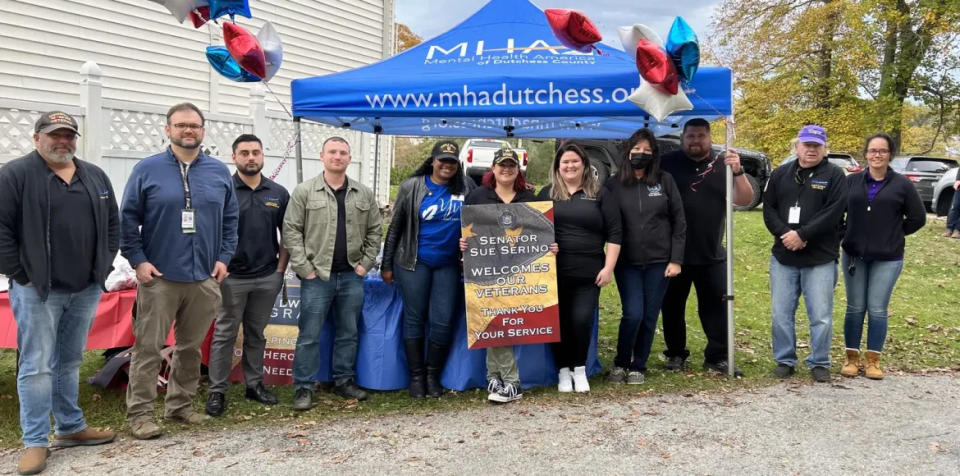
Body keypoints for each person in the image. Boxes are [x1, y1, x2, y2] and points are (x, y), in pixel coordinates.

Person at [0, 111, 118, 474]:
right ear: (37, 138)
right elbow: (1, 231)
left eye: (68, 135)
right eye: (54, 135)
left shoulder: (94, 175)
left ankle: (69, 427)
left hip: (84, 287)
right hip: (38, 290)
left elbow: (113, 225)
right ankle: (35, 441)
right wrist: (21, 274)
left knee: (69, 361)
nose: (62, 141)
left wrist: (103, 266)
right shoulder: (15, 175)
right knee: (36, 366)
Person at [120, 102, 239, 439]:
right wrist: (138, 260)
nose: (189, 130)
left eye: (195, 125)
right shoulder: (147, 169)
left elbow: (231, 222)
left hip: (203, 278)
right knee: (148, 348)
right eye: (181, 125)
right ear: (167, 129)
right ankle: (140, 415)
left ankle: (179, 406)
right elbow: (127, 219)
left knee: (189, 347)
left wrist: (224, 258)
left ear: (203, 130)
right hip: (159, 278)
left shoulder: (218, 172)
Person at [283, 136, 382, 410]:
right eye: (332, 152)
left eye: (343, 153)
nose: (337, 157)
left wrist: (365, 264)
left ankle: (343, 381)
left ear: (349, 158)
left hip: (352, 275)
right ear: (322, 156)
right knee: (309, 335)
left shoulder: (363, 193)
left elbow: (375, 230)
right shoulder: (304, 191)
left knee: (348, 333)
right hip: (317, 277)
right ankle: (303, 387)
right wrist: (306, 269)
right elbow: (291, 231)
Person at [658, 118, 754, 375]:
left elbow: (744, 200)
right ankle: (676, 353)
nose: (695, 141)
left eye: (701, 136)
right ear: (683, 138)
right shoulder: (667, 163)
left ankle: (717, 356)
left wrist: (738, 172)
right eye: (690, 136)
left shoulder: (724, 163)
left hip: (711, 251)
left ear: (710, 138)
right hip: (674, 252)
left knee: (716, 307)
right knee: (672, 307)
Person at [382, 140, 475, 398]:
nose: (447, 165)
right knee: (415, 317)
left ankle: (433, 374)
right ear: (432, 161)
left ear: (458, 165)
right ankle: (416, 376)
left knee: (442, 321)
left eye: (452, 162)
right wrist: (386, 264)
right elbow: (395, 228)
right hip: (414, 261)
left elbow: (479, 221)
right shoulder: (412, 186)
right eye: (442, 160)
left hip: (447, 263)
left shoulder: (466, 187)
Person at [205, 134, 290, 416]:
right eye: (244, 153)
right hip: (231, 278)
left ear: (263, 155)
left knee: (256, 333)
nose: (251, 157)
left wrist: (280, 270)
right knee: (225, 334)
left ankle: (254, 384)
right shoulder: (222, 190)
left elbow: (287, 235)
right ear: (235, 157)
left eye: (256, 152)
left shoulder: (277, 193)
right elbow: (210, 233)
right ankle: (217, 390)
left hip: (267, 276)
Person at [762, 125, 847, 382]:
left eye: (816, 146)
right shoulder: (780, 174)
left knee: (820, 315)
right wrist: (786, 235)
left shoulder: (834, 175)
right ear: (797, 146)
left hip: (820, 257)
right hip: (784, 256)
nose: (811, 150)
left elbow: (834, 211)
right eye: (806, 144)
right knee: (781, 313)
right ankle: (785, 359)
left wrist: (803, 235)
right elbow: (769, 209)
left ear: (825, 148)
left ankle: (819, 361)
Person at [537, 143, 621, 393]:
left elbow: (615, 232)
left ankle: (580, 369)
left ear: (584, 164)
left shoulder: (600, 193)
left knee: (581, 321)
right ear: (558, 167)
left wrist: (609, 268)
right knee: (559, 322)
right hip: (553, 272)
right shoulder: (546, 193)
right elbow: (528, 228)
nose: (570, 166)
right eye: (565, 162)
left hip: (589, 271)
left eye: (575, 161)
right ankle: (563, 371)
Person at [840, 133, 925, 380]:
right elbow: (837, 213)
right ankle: (851, 358)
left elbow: (918, 218)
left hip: (888, 258)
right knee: (855, 308)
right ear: (865, 154)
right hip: (854, 255)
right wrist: (845, 233)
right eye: (872, 151)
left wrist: (894, 235)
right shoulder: (852, 182)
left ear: (890, 154)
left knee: (877, 309)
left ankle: (873, 360)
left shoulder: (902, 184)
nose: (877, 155)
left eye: (883, 151)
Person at [461, 148, 543, 403]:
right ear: (493, 169)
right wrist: (462, 244)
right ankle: (498, 377)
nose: (506, 169)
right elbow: (465, 230)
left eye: (511, 165)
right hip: (486, 269)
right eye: (502, 165)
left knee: (502, 322)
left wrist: (550, 247)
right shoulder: (477, 195)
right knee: (492, 320)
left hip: (520, 273)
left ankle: (509, 382)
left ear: (518, 170)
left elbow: (540, 233)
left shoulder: (528, 197)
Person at [604, 129, 685, 385]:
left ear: (654, 155)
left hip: (660, 262)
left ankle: (639, 364)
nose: (641, 155)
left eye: (647, 151)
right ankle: (621, 362)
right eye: (637, 150)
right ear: (628, 152)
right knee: (633, 314)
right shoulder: (613, 184)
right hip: (626, 261)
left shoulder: (665, 181)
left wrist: (676, 259)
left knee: (650, 315)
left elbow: (679, 221)